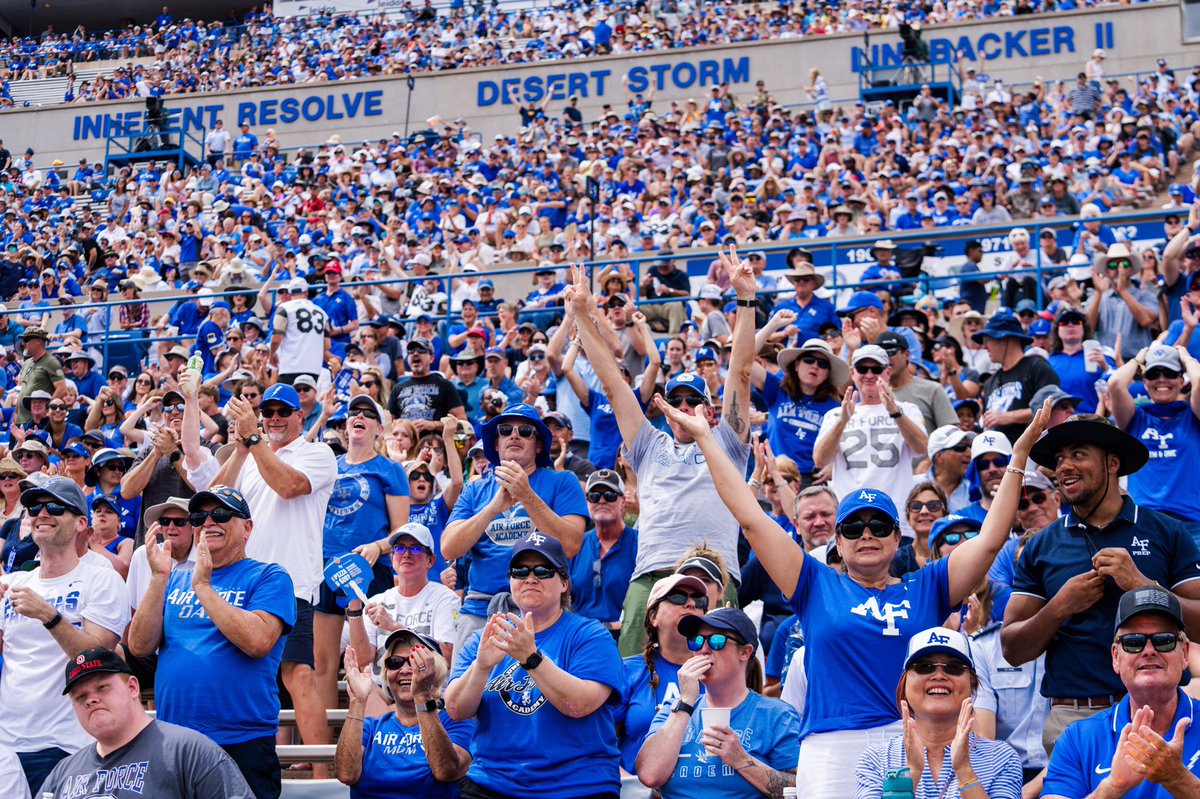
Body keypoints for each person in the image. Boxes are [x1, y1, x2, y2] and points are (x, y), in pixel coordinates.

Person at [653, 391, 1051, 799]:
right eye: (852, 527)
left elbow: (989, 541)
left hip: (908, 738)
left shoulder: (929, 585)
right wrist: (705, 438)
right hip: (831, 744)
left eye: (879, 526)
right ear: (838, 543)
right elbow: (751, 519)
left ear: (898, 539)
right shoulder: (815, 582)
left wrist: (1018, 459)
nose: (866, 535)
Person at [568, 254, 754, 658]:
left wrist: (745, 301)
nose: (684, 406)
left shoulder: (728, 442)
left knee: (722, 677)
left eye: (693, 400)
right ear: (664, 406)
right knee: (634, 677)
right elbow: (615, 386)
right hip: (651, 575)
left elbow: (739, 371)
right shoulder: (650, 444)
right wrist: (583, 314)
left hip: (716, 577)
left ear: (710, 406)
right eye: (676, 400)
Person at [1002, 414, 1200, 755]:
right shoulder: (1040, 545)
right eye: (1060, 458)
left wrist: (1141, 585)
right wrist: (1060, 606)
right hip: (1074, 717)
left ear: (1112, 462)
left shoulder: (1167, 531)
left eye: (1078, 454)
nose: (1064, 466)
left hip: (1161, 712)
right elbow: (1012, 648)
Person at [195, 381, 338, 767]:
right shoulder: (252, 455)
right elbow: (207, 504)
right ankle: (272, 761)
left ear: (299, 416)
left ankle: (324, 773)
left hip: (291, 581)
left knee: (298, 676)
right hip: (243, 582)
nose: (274, 418)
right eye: (268, 412)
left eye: (282, 412)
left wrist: (255, 440)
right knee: (250, 678)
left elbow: (290, 487)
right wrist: (241, 451)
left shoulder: (317, 452)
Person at [126, 485, 296, 799]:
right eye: (199, 516)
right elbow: (139, 645)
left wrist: (203, 587)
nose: (208, 522)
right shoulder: (174, 577)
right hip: (175, 740)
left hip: (241, 741)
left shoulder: (269, 576)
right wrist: (158, 578)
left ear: (247, 527)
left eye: (220, 514)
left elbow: (258, 641)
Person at [445, 532, 625, 799]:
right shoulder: (485, 638)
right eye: (520, 571)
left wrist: (531, 658)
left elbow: (580, 705)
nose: (530, 578)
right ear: (510, 581)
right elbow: (456, 709)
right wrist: (481, 667)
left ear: (564, 583)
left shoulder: (590, 635)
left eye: (543, 570)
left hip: (576, 785)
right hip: (494, 783)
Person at [0, 476, 128, 794]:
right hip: (6, 742)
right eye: (35, 507)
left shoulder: (101, 579)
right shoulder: (15, 581)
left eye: (55, 507)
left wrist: (48, 615)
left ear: (81, 523)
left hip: (64, 744)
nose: (42, 513)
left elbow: (100, 658)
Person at [1043, 587, 1200, 798]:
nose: (1149, 650)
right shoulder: (1078, 738)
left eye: (1164, 640)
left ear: (1185, 654)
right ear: (1116, 657)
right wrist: (1112, 788)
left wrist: (1178, 779)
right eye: (1133, 642)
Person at [39, 646, 254, 798]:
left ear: (133, 687)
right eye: (80, 697)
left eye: (102, 687)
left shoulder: (187, 751)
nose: (91, 699)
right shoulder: (63, 772)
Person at [636, 608, 801, 798]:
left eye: (716, 641)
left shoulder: (776, 715)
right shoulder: (673, 711)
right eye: (697, 641)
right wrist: (685, 702)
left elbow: (800, 790)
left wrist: (741, 760)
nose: (704, 649)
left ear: (745, 653)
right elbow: (649, 775)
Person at [315, 393, 411, 718]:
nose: (360, 416)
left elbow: (401, 530)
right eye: (354, 412)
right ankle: (324, 748)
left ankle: (374, 737)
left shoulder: (390, 470)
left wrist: (378, 547)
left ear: (379, 430)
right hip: (328, 571)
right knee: (323, 660)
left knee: (370, 660)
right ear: (345, 425)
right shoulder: (330, 465)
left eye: (369, 414)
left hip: (370, 571)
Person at [854, 627, 1023, 798]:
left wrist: (964, 770)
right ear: (904, 683)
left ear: (972, 683)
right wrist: (911, 772)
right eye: (924, 667)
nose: (939, 675)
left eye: (953, 667)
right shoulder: (876, 759)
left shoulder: (1002, 758)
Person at [336, 630, 473, 799]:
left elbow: (446, 771)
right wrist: (357, 701)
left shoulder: (457, 723)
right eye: (395, 662)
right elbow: (346, 774)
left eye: (416, 662)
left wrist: (422, 697)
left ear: (436, 672)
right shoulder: (370, 727)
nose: (405, 670)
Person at [813, 344, 928, 516]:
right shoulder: (836, 414)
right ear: (852, 373)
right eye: (862, 369)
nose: (869, 375)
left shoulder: (908, 409)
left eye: (876, 369)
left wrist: (895, 412)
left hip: (895, 509)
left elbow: (921, 449)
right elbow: (820, 460)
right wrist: (843, 421)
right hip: (849, 510)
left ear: (887, 373)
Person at [617, 573, 709, 773]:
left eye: (700, 601)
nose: (691, 603)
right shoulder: (627, 671)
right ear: (653, 616)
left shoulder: (718, 671)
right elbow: (601, 743)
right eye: (677, 597)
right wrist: (632, 786)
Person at [1108, 343, 1200, 528]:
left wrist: (1186, 357)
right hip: (1145, 522)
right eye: (1153, 374)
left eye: (1170, 373)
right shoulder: (1135, 418)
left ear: (1182, 381)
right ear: (1144, 382)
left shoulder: (1194, 416)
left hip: (1192, 522)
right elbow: (1115, 384)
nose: (1161, 379)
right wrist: (1139, 358)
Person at [347, 522, 460, 670]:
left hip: (428, 690)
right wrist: (354, 605)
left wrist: (393, 627)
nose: (407, 554)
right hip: (383, 690)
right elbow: (362, 661)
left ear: (430, 560)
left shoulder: (446, 598)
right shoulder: (376, 601)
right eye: (399, 548)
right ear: (392, 558)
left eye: (415, 548)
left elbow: (448, 657)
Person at [751, 334, 846, 480]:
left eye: (822, 364)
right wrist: (773, 325)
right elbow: (743, 359)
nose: (815, 366)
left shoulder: (834, 407)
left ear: (827, 374)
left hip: (812, 480)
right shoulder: (777, 390)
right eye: (809, 360)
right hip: (774, 476)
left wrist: (835, 467)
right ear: (796, 365)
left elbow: (845, 445)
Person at [568, 469, 638, 630]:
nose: (601, 501)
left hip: (626, 637)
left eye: (610, 495)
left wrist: (612, 627)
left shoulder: (641, 544)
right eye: (594, 496)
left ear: (623, 502)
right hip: (580, 637)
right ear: (586, 502)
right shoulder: (574, 544)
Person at [975, 311, 1058, 442]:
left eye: (987, 340)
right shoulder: (990, 381)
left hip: (1032, 456)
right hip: (1000, 458)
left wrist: (1008, 417)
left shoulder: (1037, 367)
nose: (984, 347)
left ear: (1004, 339)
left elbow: (1056, 408)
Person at [388, 337, 467, 434]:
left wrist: (433, 425)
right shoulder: (397, 388)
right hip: (406, 446)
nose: (415, 353)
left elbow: (463, 422)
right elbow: (388, 424)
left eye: (421, 350)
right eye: (411, 351)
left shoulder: (444, 384)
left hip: (435, 444)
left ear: (432, 358)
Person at [270, 277, 331, 382]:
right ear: (306, 292)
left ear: (290, 293)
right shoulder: (322, 313)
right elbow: (327, 345)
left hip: (290, 367)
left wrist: (271, 354)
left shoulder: (284, 308)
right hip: (314, 368)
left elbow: (276, 339)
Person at [958, 431, 1014, 523]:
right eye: (983, 465)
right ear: (975, 472)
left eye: (999, 462)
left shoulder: (1031, 507)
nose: (992, 469)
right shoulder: (963, 520)